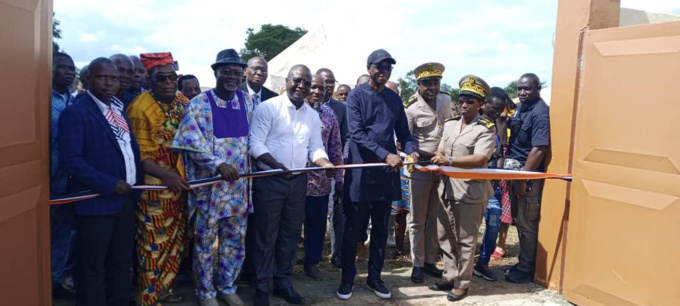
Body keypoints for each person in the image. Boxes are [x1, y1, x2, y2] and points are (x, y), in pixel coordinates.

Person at [58, 57, 144, 306]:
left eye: (114, 78)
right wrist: (109, 183)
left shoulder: (117, 109)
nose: (109, 83)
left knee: (120, 262)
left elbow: (129, 149)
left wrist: (133, 185)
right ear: (87, 79)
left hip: (125, 200)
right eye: (102, 77)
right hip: (96, 202)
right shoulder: (75, 113)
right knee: (92, 267)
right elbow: (71, 160)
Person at [171, 48, 254, 306]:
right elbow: (190, 141)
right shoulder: (199, 103)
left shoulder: (249, 102)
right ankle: (206, 292)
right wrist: (218, 163)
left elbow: (256, 139)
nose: (232, 76)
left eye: (237, 72)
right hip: (209, 187)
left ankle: (228, 286)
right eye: (226, 71)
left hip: (239, 187)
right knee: (205, 242)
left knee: (235, 240)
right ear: (215, 72)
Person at [248, 64, 335, 306]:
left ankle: (283, 283)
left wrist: (325, 163)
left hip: (298, 181)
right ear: (286, 80)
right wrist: (277, 166)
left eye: (306, 83)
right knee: (266, 235)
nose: (302, 86)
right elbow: (255, 144)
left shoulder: (312, 115)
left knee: (290, 235)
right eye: (297, 80)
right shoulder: (268, 108)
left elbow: (315, 147)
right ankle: (262, 287)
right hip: (269, 180)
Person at [337, 49, 418, 300]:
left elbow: (404, 133)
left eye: (388, 68)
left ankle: (375, 277)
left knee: (382, 229)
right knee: (354, 228)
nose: (384, 72)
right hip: (361, 173)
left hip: (387, 175)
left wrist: (412, 151)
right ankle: (348, 278)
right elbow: (357, 134)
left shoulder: (394, 100)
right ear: (369, 68)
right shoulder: (356, 96)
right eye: (379, 67)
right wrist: (386, 154)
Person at [126, 52, 190, 305]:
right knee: (152, 246)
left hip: (180, 185)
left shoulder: (182, 102)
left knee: (175, 243)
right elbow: (140, 155)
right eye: (160, 78)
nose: (167, 82)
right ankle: (148, 298)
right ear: (149, 81)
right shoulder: (139, 108)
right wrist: (167, 176)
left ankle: (164, 289)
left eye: (171, 77)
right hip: (153, 188)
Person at [427, 75, 495, 302]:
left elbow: (480, 159)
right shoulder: (450, 123)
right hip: (446, 188)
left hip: (469, 191)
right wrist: (439, 156)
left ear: (480, 105)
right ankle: (449, 274)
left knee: (466, 240)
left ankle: (462, 283)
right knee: (444, 235)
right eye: (462, 99)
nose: (464, 104)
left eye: (471, 101)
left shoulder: (486, 128)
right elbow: (441, 149)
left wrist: (449, 162)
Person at [403, 62, 452, 283]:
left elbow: (450, 128)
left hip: (441, 168)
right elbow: (404, 141)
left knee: (436, 217)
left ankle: (430, 261)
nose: (432, 87)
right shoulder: (410, 107)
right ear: (419, 84)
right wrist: (426, 156)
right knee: (417, 218)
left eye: (435, 82)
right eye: (427, 83)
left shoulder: (447, 100)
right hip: (421, 168)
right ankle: (417, 263)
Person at [504, 73, 550, 284]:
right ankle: (523, 262)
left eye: (527, 89)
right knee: (519, 222)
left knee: (527, 224)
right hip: (517, 173)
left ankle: (526, 269)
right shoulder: (522, 107)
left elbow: (539, 149)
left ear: (537, 89)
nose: (522, 92)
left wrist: (522, 178)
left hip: (528, 177)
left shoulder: (540, 113)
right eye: (520, 88)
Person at [301, 74, 343, 280]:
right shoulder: (294, 110)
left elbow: (335, 147)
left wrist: (340, 177)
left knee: (317, 225)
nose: (317, 92)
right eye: (314, 87)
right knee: (290, 227)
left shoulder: (329, 114)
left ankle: (311, 262)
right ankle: (285, 263)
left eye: (322, 88)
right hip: (295, 181)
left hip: (320, 181)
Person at [472, 87, 508, 282]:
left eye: (500, 109)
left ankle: (483, 263)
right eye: (493, 108)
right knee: (470, 226)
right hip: (473, 182)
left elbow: (501, 152)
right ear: (484, 105)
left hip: (492, 184)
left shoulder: (499, 125)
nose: (496, 112)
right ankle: (463, 264)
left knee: (493, 222)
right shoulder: (473, 123)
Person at [50, 52, 77, 299]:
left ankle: (57, 280)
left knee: (65, 233)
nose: (69, 72)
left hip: (69, 179)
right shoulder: (42, 100)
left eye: (72, 69)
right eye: (62, 68)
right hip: (48, 177)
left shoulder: (72, 99)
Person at [316, 68, 348, 268]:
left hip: (333, 168)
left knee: (336, 213)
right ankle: (314, 254)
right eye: (323, 82)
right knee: (313, 215)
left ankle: (336, 253)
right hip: (308, 171)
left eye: (330, 82)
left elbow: (346, 138)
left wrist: (341, 166)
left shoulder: (341, 108)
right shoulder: (304, 105)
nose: (327, 86)